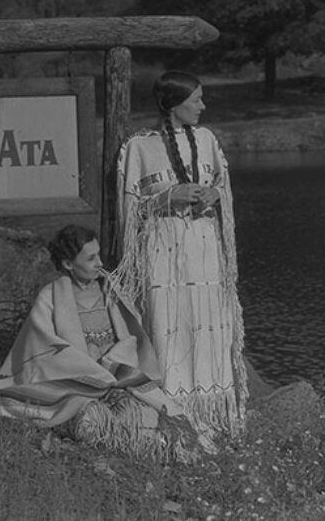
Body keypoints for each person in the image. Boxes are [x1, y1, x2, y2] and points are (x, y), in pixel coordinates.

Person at [0, 224, 200, 462]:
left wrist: (113, 364)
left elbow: (131, 339)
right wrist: (89, 372)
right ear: (68, 264)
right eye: (91, 258)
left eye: (99, 255)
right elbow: (42, 348)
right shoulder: (50, 297)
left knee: (144, 416)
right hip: (75, 385)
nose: (100, 264)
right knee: (90, 421)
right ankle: (120, 442)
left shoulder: (112, 292)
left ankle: (140, 444)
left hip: (117, 379)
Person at [113, 70, 248, 437]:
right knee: (168, 329)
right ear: (173, 105)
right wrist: (167, 198)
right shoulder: (139, 147)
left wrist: (214, 196)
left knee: (208, 332)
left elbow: (222, 184)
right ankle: (170, 415)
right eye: (196, 100)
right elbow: (128, 212)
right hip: (162, 255)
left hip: (205, 252)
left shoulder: (207, 140)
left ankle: (216, 417)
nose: (203, 106)